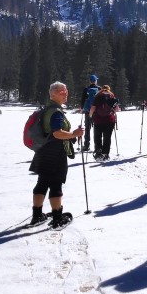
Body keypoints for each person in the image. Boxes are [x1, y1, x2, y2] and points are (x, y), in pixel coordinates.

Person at [28, 81, 83, 228]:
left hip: (43, 151)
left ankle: (37, 215)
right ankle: (57, 217)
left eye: (66, 91)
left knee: (42, 182)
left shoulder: (47, 109)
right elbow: (57, 133)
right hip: (55, 152)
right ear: (53, 94)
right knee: (55, 184)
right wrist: (74, 134)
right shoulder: (56, 112)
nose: (66, 94)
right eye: (62, 92)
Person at [89, 84, 119, 161]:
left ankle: (98, 153)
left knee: (97, 137)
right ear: (109, 89)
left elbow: (93, 108)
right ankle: (105, 154)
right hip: (109, 120)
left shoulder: (98, 96)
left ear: (101, 89)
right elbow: (116, 109)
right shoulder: (111, 96)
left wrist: (90, 116)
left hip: (98, 120)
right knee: (107, 137)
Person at [79, 74, 99, 152]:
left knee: (87, 129)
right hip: (96, 112)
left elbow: (83, 100)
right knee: (97, 129)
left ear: (90, 81)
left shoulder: (86, 89)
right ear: (95, 81)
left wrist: (82, 108)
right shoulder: (99, 89)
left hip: (87, 112)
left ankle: (86, 146)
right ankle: (97, 146)